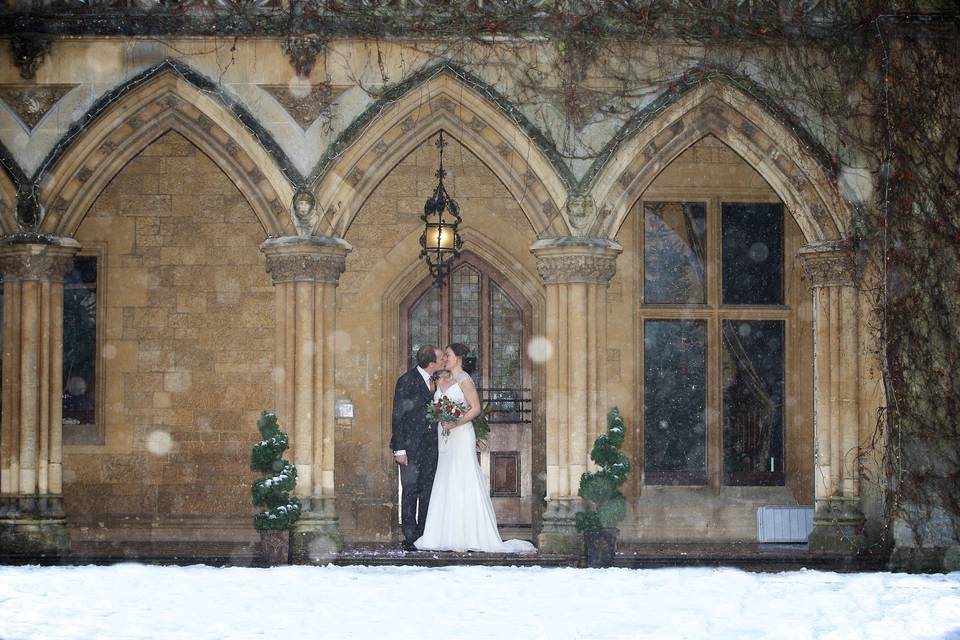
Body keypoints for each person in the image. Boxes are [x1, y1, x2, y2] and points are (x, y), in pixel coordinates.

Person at [415, 343, 536, 554]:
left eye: (448, 355)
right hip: (444, 438)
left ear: (459, 358)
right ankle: (442, 534)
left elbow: (476, 408)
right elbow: (436, 406)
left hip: (460, 434)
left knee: (462, 478)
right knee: (445, 478)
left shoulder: (464, 380)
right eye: (444, 356)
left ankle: (468, 534)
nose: (445, 359)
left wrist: (455, 422)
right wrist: (441, 416)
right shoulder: (443, 379)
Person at [390, 344, 444, 551]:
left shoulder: (438, 381)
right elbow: (398, 416)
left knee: (428, 490)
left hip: (432, 446)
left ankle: (425, 534)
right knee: (410, 491)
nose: (443, 361)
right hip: (410, 448)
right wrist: (399, 449)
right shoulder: (406, 380)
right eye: (440, 358)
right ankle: (410, 537)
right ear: (431, 362)